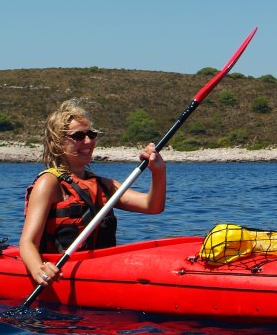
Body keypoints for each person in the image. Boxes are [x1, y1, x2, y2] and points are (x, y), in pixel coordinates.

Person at [19, 99, 167, 286]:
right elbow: (27, 242)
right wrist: (38, 269)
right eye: (78, 136)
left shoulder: (105, 185)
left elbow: (152, 206)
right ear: (57, 142)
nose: (88, 141)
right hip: (61, 273)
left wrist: (158, 171)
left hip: (100, 271)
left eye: (91, 134)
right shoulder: (48, 183)